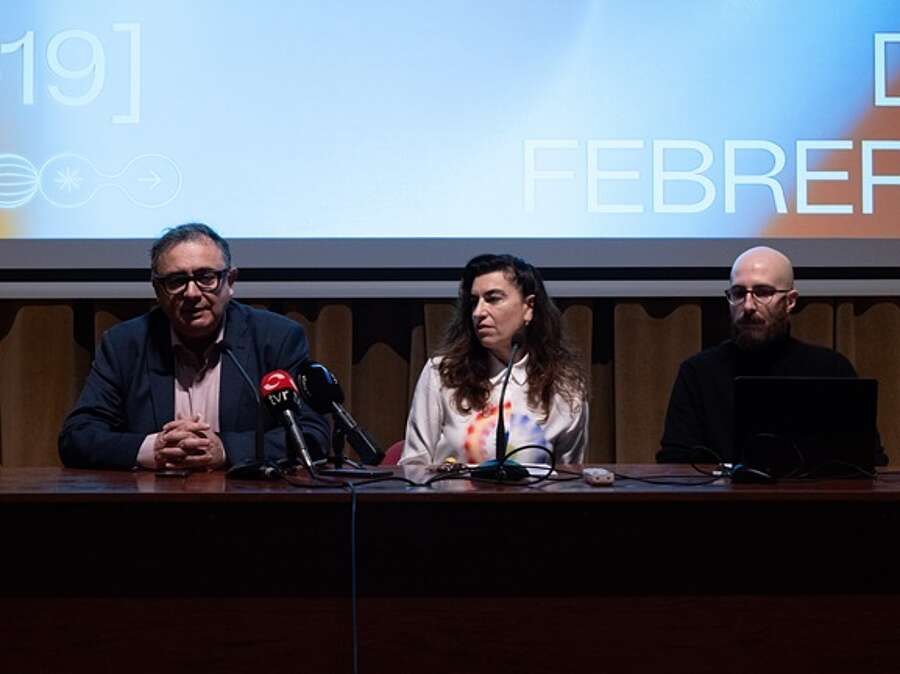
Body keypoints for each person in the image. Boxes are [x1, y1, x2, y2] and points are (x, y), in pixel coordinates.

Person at [59, 223, 329, 470]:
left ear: (230, 282)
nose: (191, 293)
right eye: (176, 281)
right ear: (157, 290)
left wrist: (225, 449)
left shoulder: (275, 337)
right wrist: (153, 448)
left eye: (206, 277)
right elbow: (77, 436)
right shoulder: (125, 344)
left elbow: (312, 433)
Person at [658, 245, 887, 465]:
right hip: (723, 504)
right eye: (738, 293)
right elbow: (675, 460)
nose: (748, 306)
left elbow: (869, 460)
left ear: (790, 301)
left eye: (763, 292)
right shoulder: (699, 372)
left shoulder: (832, 370)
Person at [400, 254, 588, 466]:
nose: (478, 312)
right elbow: (413, 466)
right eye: (474, 302)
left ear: (529, 307)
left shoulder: (564, 386)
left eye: (493, 299)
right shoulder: (442, 373)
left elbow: (569, 479)